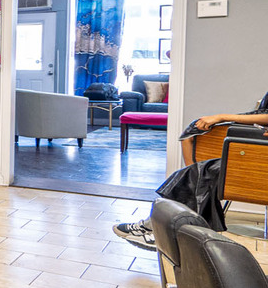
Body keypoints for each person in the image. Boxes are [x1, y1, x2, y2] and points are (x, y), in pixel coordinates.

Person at [114, 99, 268, 250]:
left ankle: (159, 231)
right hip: (259, 152)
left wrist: (221, 117)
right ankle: (159, 228)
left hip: (261, 161)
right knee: (197, 171)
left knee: (201, 173)